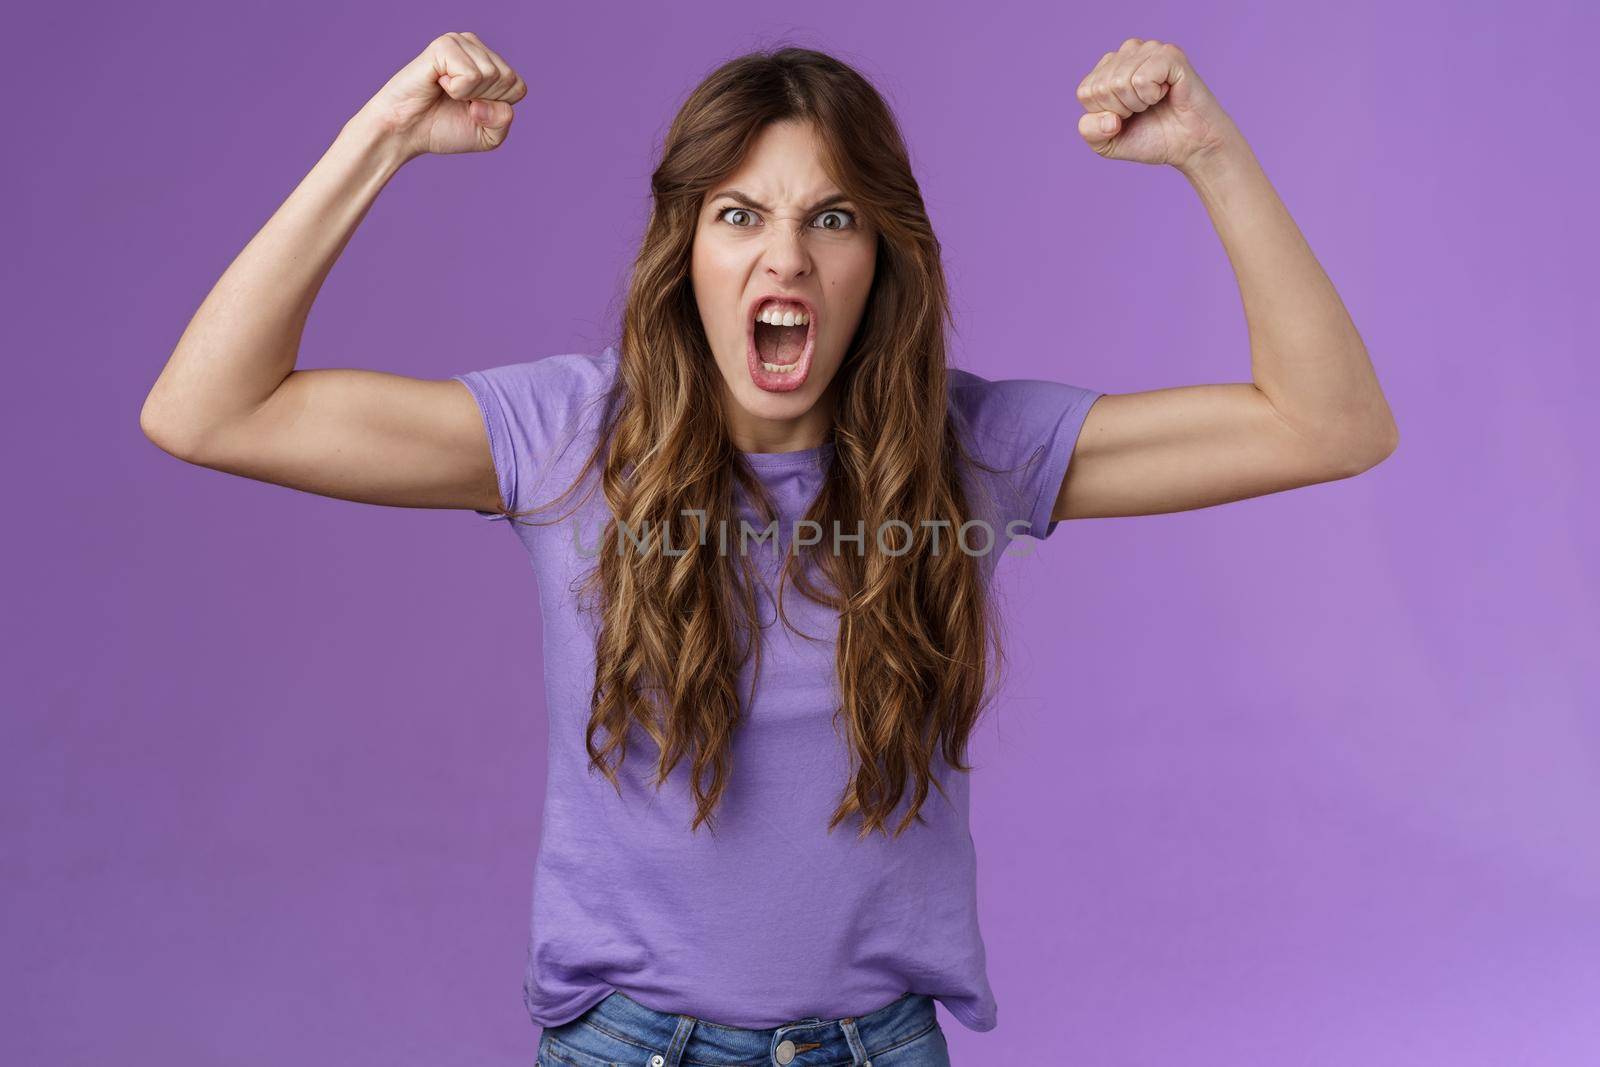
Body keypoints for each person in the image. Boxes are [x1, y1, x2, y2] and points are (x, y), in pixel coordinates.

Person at [139, 32, 1398, 1067]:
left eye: (830, 217)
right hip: (624, 1047)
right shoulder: (569, 437)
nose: (783, 255)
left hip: (878, 1048)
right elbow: (207, 408)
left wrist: (1211, 155)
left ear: (880, 259)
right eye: (739, 213)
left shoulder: (971, 453)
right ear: (685, 251)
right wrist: (385, 139)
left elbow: (1328, 425)